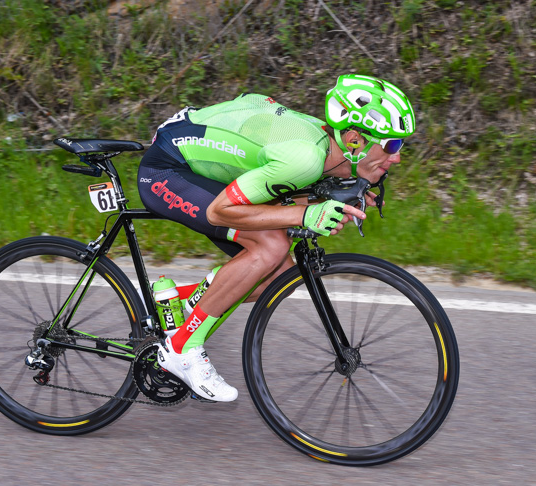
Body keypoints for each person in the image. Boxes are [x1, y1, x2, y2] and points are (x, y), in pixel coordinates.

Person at [137, 74, 416, 402]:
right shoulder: (305, 159)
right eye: (392, 145)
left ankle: (181, 303)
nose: (397, 157)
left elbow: (281, 194)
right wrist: (308, 213)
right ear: (354, 140)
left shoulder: (326, 150)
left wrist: (330, 199)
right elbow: (220, 211)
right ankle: (181, 349)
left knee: (279, 276)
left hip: (198, 155)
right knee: (271, 244)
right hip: (167, 170)